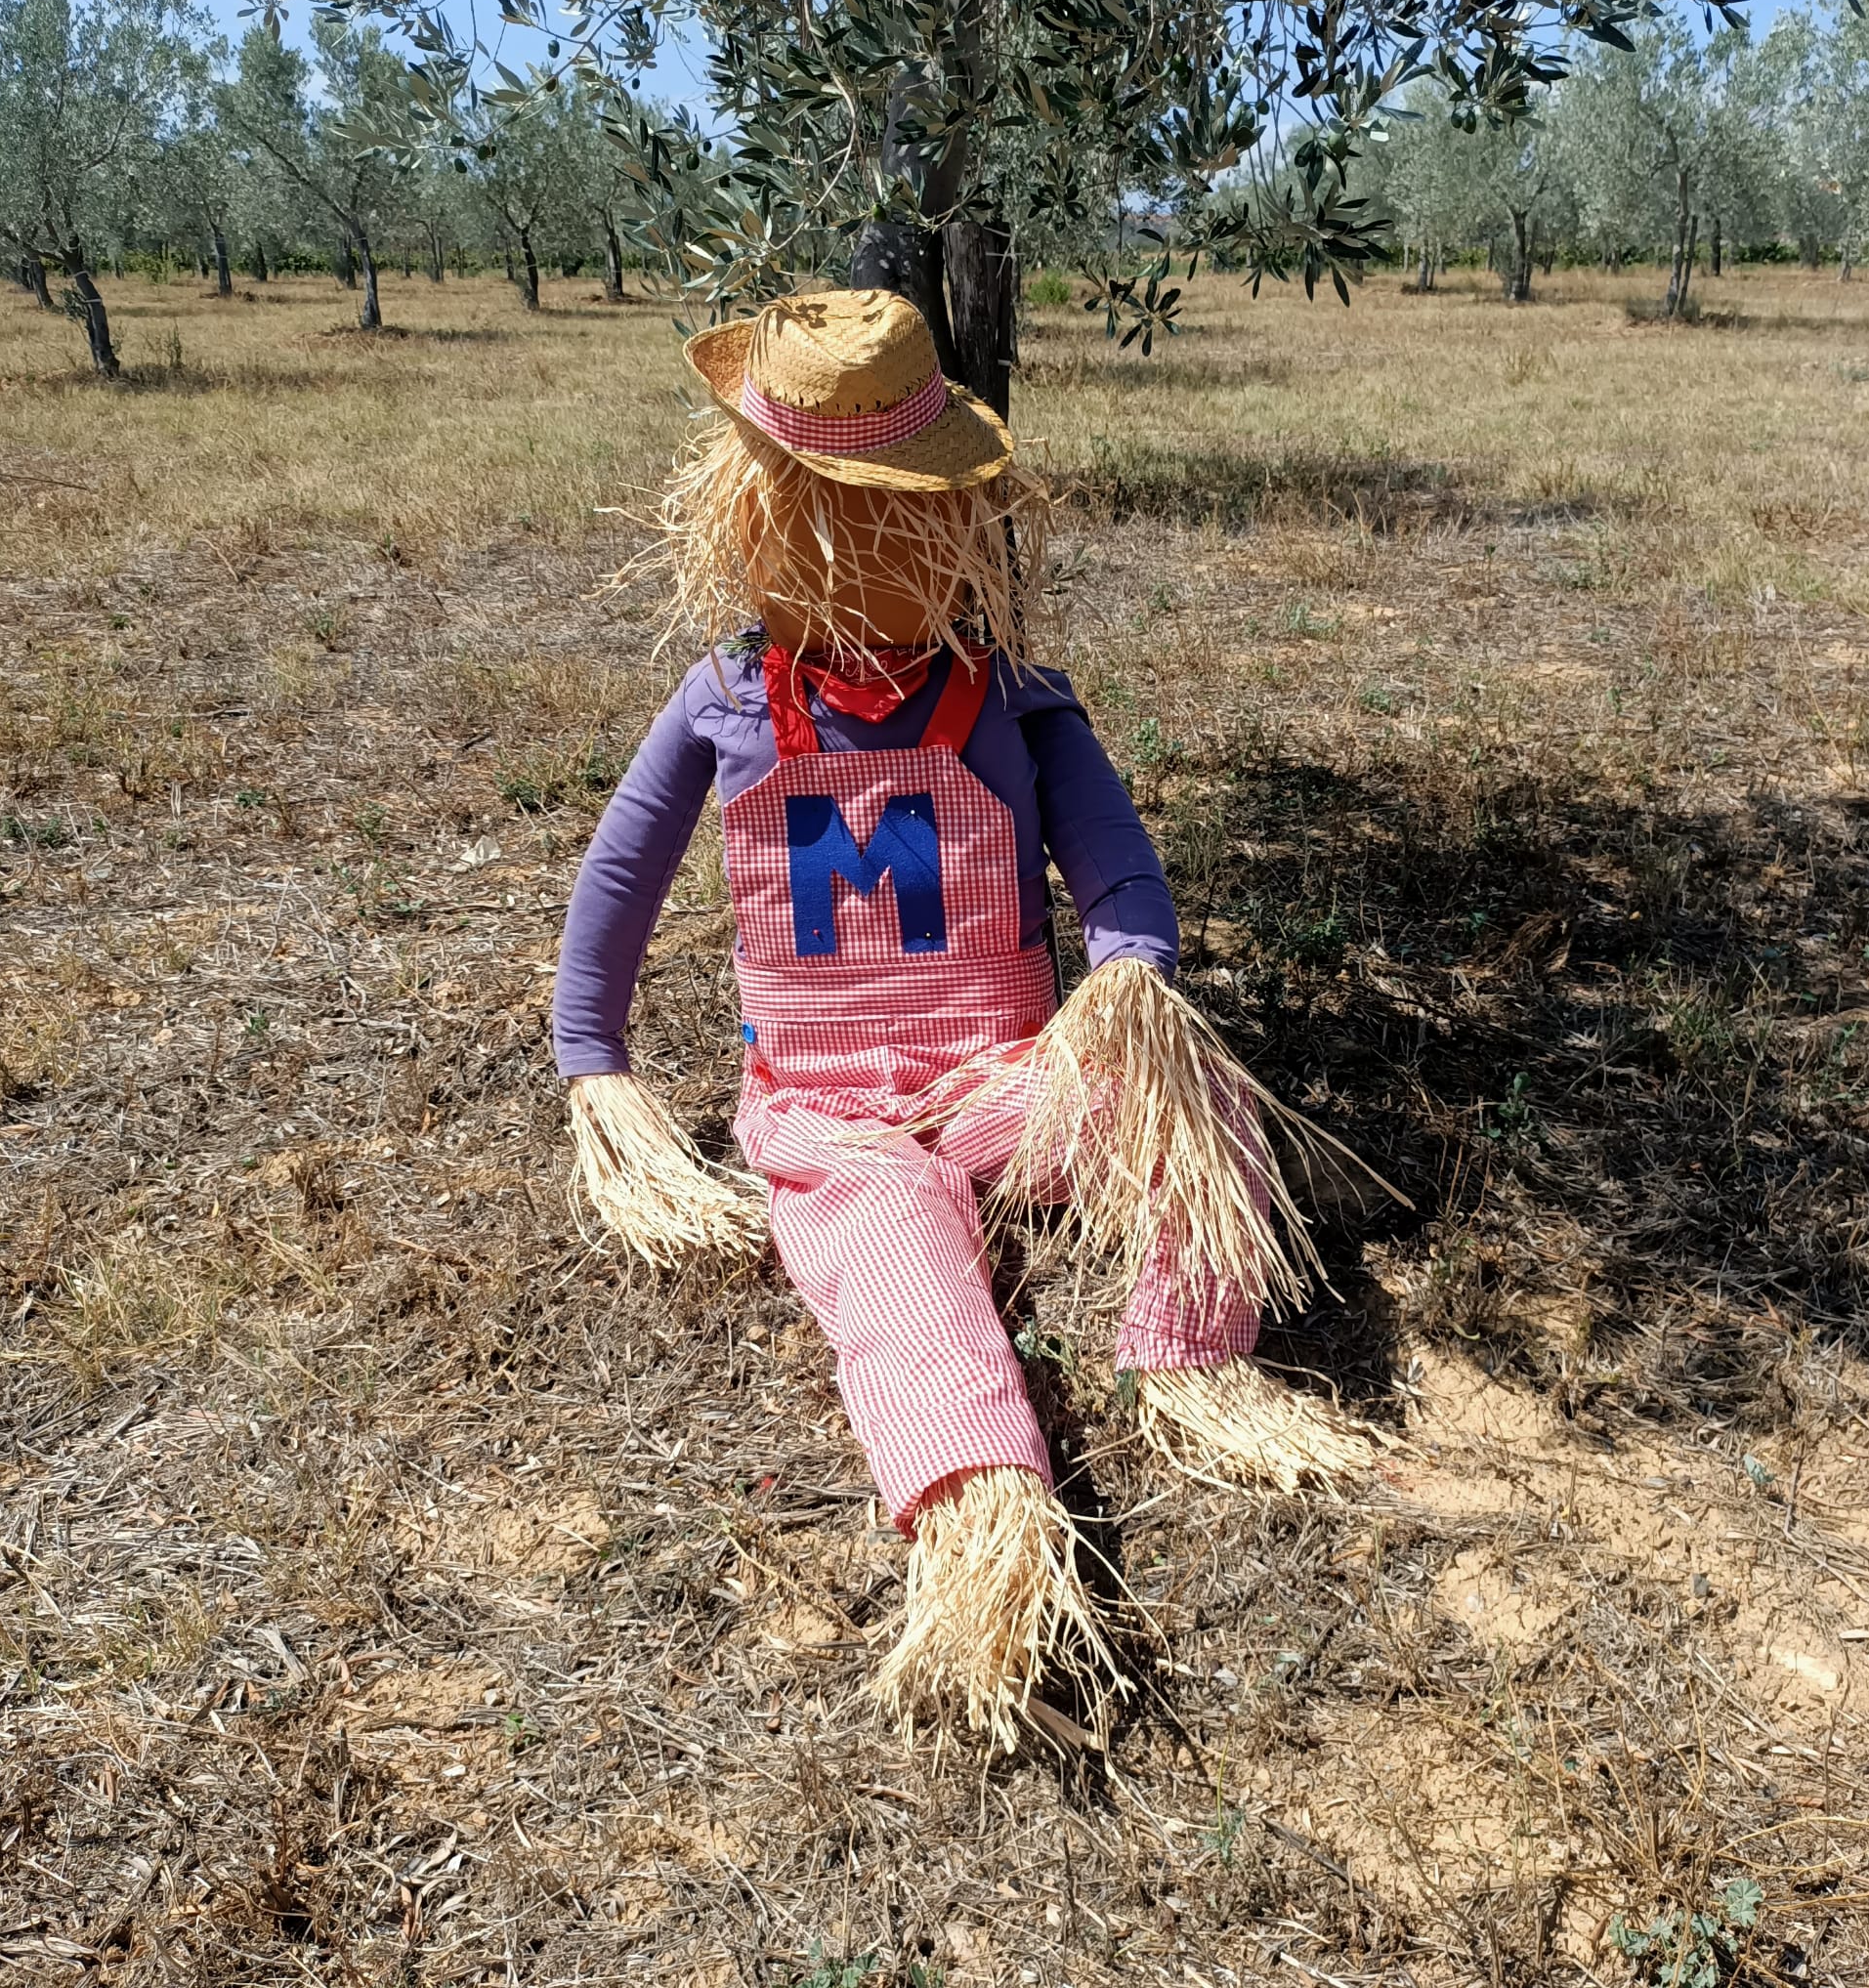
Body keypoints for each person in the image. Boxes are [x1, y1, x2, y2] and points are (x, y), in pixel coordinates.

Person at [554, 289, 1379, 1749]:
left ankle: (1193, 1362)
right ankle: (988, 1531)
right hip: (828, 1114)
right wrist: (593, 1063)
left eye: (904, 515)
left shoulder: (1012, 701)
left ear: (956, 522)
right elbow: (622, 875)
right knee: (901, 1276)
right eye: (843, 515)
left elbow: (1117, 867)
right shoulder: (728, 700)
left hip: (1008, 1079)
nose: (878, 549)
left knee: (1198, 1113)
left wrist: (1129, 974)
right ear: (766, 518)